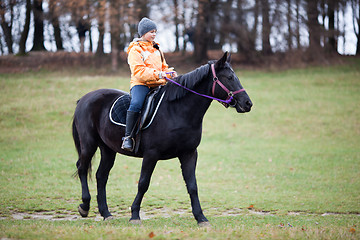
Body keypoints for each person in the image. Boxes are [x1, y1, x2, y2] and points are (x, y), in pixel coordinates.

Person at [122, 17, 177, 151]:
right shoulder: (135, 50)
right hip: (141, 84)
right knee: (136, 104)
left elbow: (164, 67)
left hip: (158, 83)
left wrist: (169, 72)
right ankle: (128, 137)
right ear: (143, 33)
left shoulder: (157, 48)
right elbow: (139, 71)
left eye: (155, 32)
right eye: (151, 32)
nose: (154, 34)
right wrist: (159, 74)